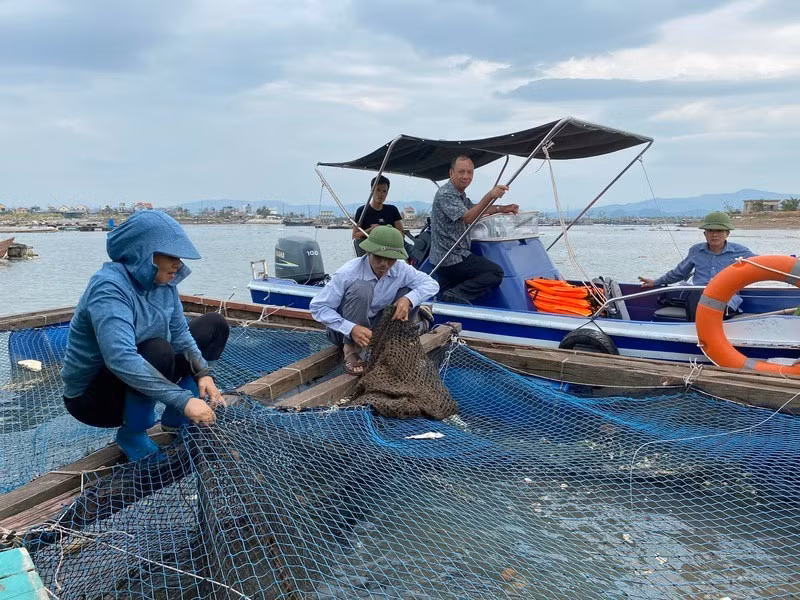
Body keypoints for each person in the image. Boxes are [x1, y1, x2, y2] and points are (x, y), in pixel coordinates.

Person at [61, 211, 230, 461]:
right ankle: (133, 433)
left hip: (141, 373)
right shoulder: (108, 288)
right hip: (93, 398)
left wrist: (203, 373)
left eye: (179, 257)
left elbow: (180, 334)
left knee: (214, 325)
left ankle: (175, 420)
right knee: (158, 350)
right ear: (144, 254)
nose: (178, 264)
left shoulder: (165, 284)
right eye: (171, 256)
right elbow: (120, 358)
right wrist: (183, 400)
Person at [310, 225, 439, 374]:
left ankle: (395, 343)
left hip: (374, 326)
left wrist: (409, 299)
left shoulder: (401, 270)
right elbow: (318, 307)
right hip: (342, 331)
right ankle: (350, 349)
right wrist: (351, 328)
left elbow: (432, 284)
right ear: (368, 252)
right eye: (378, 257)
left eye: (390, 259)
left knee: (410, 291)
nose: (384, 264)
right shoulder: (348, 272)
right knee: (362, 288)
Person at [430, 155, 519, 303]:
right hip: (449, 259)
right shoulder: (446, 194)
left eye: (470, 172)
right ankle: (455, 295)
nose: (466, 176)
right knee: (495, 272)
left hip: (453, 257)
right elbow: (469, 217)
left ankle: (450, 299)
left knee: (447, 297)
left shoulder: (459, 195)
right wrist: (490, 195)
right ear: (451, 173)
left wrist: (502, 208)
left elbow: (475, 208)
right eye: (461, 172)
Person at [638, 211, 755, 321]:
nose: (714, 235)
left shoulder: (740, 251)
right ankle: (697, 331)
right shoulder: (696, 251)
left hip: (725, 298)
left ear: (727, 233)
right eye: (710, 231)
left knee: (708, 301)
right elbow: (679, 273)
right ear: (705, 234)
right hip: (698, 297)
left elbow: (762, 266)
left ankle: (708, 332)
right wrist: (655, 282)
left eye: (719, 231)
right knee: (698, 295)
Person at [352, 175, 403, 241]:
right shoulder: (362, 211)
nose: (381, 194)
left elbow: (402, 233)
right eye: (378, 190)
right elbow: (354, 236)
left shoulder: (392, 210)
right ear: (372, 191)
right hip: (371, 245)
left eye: (384, 191)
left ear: (387, 193)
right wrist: (371, 230)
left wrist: (384, 230)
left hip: (391, 245)